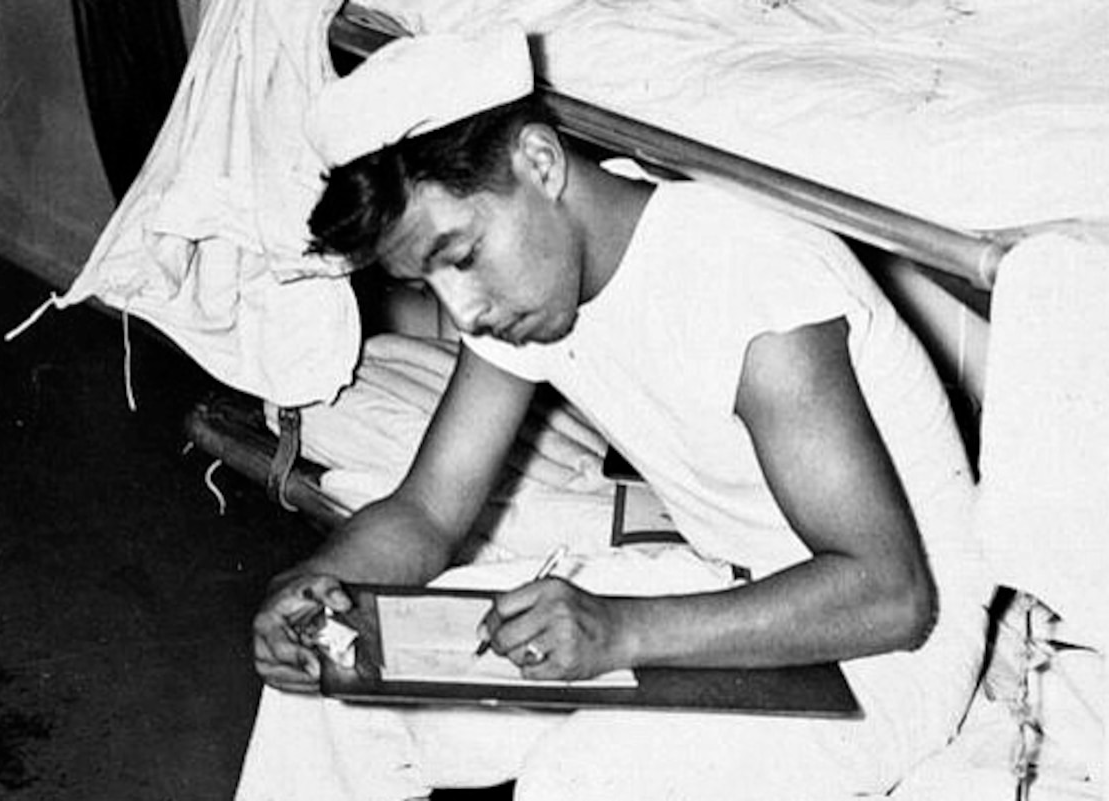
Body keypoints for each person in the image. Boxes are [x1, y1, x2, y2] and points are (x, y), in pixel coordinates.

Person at [236, 26, 992, 801]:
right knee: (337, 672)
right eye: (430, 285)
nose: (463, 311)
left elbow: (891, 596)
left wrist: (622, 629)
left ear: (541, 163)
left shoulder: (754, 285)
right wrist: (314, 583)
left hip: (886, 655)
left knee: (582, 780)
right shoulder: (540, 275)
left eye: (460, 257)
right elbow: (429, 508)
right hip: (722, 591)